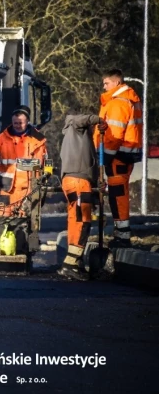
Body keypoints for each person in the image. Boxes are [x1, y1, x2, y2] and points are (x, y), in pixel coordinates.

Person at [93, 69, 143, 248]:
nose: (104, 87)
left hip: (117, 156)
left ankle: (122, 236)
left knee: (117, 195)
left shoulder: (118, 103)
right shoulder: (129, 99)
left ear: (116, 83)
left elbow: (113, 135)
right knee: (119, 193)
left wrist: (104, 158)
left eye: (106, 83)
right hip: (125, 155)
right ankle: (122, 233)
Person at [58, 113, 102, 280]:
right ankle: (70, 264)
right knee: (82, 222)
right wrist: (99, 119)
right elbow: (79, 119)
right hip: (78, 181)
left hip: (74, 181)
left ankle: (75, 262)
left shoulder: (78, 139)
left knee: (74, 220)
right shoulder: (75, 127)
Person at [0, 106, 47, 217]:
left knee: (25, 222)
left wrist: (45, 176)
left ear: (27, 121)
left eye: (20, 123)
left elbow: (43, 163)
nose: (17, 125)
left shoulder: (38, 140)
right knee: (3, 220)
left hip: (28, 190)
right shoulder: (1, 139)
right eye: (15, 123)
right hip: (5, 188)